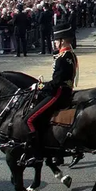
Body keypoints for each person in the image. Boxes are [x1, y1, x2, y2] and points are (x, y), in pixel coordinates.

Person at [24, 23, 78, 163]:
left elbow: (56, 83)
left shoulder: (62, 58)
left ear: (63, 41)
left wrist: (40, 86)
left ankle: (37, 154)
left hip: (59, 93)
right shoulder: (68, 54)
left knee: (29, 119)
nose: (54, 43)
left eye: (56, 40)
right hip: (64, 90)